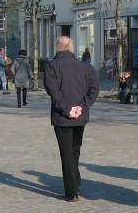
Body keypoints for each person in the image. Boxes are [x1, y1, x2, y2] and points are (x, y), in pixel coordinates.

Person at [44, 36, 99, 202]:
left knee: (67, 153)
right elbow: (94, 89)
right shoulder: (85, 67)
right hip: (80, 117)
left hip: (62, 117)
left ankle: (71, 191)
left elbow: (54, 92)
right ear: (71, 47)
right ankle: (75, 180)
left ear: (57, 48)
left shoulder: (52, 66)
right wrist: (82, 107)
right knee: (75, 150)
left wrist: (68, 110)